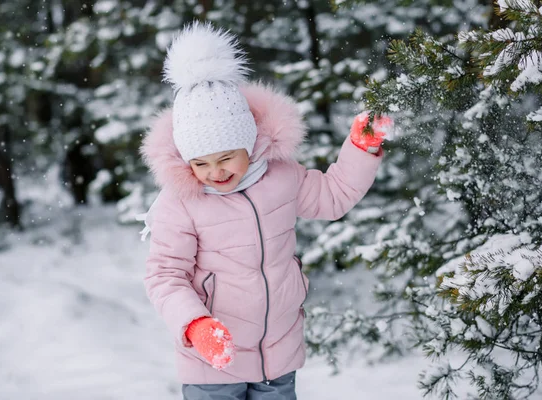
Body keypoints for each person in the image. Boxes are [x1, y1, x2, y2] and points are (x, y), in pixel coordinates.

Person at [140, 21, 389, 400]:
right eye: (201, 163)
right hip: (212, 359)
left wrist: (361, 148)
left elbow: (334, 196)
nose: (215, 172)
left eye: (226, 158)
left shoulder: (281, 177)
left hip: (278, 352)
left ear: (249, 143)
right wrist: (195, 325)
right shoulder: (182, 201)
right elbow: (165, 276)